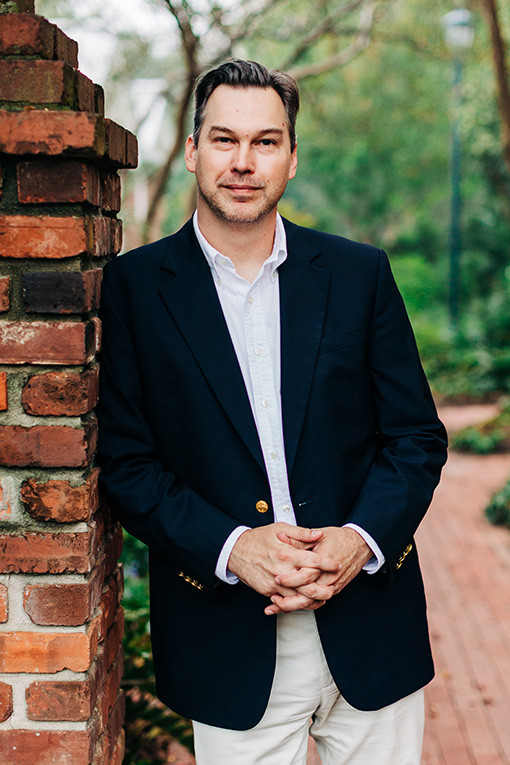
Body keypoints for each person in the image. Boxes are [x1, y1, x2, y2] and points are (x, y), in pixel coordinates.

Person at [97, 59, 448, 764]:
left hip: (370, 623)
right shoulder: (135, 288)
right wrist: (234, 548)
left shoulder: (359, 274)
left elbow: (414, 437)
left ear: (291, 158)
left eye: (265, 142)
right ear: (193, 151)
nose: (243, 162)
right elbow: (130, 466)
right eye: (225, 140)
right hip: (228, 635)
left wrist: (359, 539)